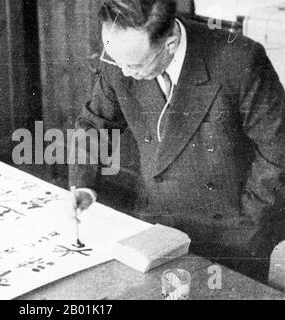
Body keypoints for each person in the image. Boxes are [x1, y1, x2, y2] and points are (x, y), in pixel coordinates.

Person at [69, 0, 285, 282]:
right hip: (157, 221)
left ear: (170, 44)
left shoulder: (239, 59)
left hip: (231, 234)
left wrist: (246, 227)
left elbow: (277, 150)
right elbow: (95, 123)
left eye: (133, 65)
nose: (122, 72)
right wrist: (83, 184)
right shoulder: (122, 55)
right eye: (115, 59)